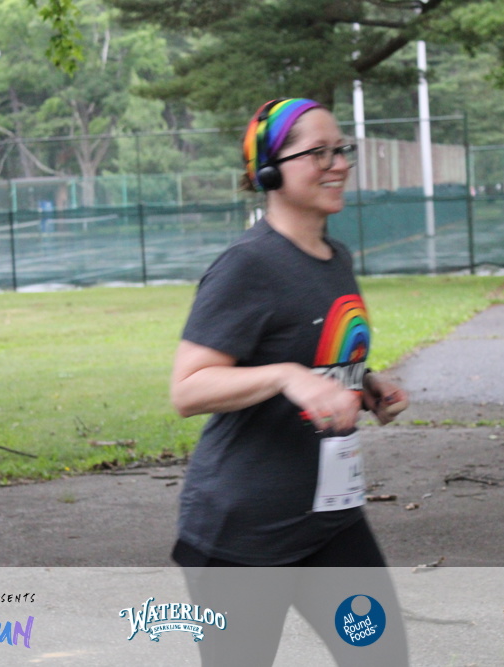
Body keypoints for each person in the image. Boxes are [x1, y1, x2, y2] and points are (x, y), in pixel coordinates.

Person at [169, 98, 410, 665]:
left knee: (382, 658)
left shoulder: (334, 257)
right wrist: (286, 377)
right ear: (270, 171)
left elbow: (311, 351)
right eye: (318, 153)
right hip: (243, 533)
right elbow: (187, 388)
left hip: (329, 522)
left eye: (342, 150)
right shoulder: (247, 264)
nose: (339, 164)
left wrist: (364, 383)